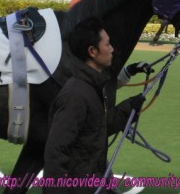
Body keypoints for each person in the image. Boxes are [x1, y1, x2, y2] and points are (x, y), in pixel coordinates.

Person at [43, 17, 146, 194]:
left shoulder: (92, 87)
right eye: (107, 45)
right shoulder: (76, 94)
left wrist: (129, 108)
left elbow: (97, 128)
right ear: (92, 51)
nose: (112, 49)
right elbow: (56, 153)